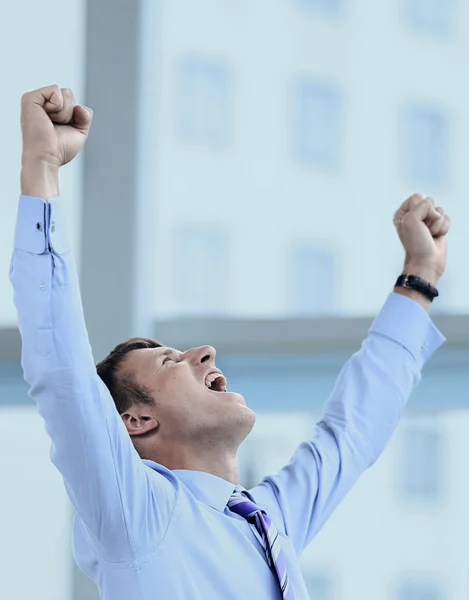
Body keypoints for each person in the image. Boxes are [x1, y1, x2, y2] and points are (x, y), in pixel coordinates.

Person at [11, 85, 450, 600]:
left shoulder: (271, 524)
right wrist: (41, 165)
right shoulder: (139, 513)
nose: (206, 353)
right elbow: (61, 368)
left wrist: (420, 276)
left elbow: (352, 432)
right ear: (136, 421)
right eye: (172, 360)